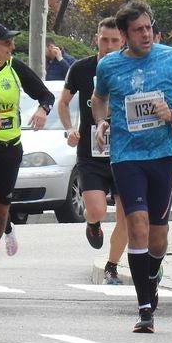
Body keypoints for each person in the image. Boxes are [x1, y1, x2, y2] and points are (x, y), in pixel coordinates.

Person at [92, 0, 172, 334]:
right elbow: (99, 99)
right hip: (127, 156)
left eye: (149, 27)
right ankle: (145, 308)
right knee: (136, 224)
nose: (146, 34)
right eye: (138, 30)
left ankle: (154, 271)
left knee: (158, 238)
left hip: (164, 155)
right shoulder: (108, 66)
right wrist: (102, 122)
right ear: (124, 35)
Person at [0, 23, 56, 283]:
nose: (11, 47)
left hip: (11, 147)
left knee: (0, 210)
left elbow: (46, 95)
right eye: (6, 43)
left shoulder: (14, 68)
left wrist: (42, 110)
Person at [58, 17, 128, 284]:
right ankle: (93, 222)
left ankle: (112, 266)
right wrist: (69, 130)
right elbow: (63, 103)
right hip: (91, 153)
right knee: (97, 209)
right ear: (95, 39)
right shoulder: (81, 68)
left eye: (115, 40)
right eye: (104, 39)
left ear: (122, 41)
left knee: (126, 216)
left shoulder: (128, 68)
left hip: (124, 152)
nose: (109, 45)